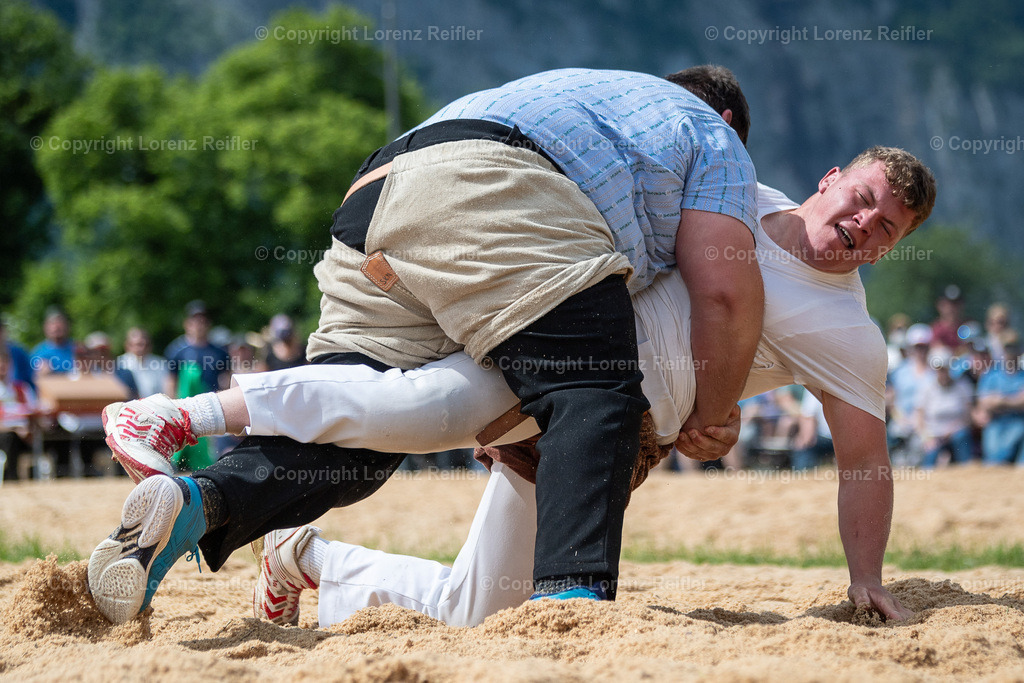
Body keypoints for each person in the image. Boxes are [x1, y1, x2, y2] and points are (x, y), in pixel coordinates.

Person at [89, 138, 936, 627]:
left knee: (479, 613)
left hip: (603, 438)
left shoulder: (848, 333)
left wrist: (867, 574)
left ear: (891, 248)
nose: (862, 224)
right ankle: (176, 414)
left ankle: (305, 555)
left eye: (884, 227)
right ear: (832, 178)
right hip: (551, 341)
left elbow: (865, 455)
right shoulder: (730, 192)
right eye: (861, 198)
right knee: (421, 406)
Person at [916, 349, 975, 468]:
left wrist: (954, 428)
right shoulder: (926, 387)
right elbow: (919, 416)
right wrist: (926, 437)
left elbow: (968, 415)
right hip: (934, 434)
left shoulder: (962, 386)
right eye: (939, 369)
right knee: (931, 452)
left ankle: (966, 469)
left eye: (944, 368)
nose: (942, 372)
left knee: (962, 436)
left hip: (957, 431)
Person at [973, 340, 1024, 465]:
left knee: (1005, 452)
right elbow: (984, 402)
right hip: (995, 422)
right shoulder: (991, 375)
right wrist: (1013, 401)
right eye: (1007, 349)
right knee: (994, 458)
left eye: (1013, 349)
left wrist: (1001, 401)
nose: (1010, 353)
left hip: (1018, 421)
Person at [0, 345, 38, 482]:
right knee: (9, 438)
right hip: (7, 435)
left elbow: (33, 412)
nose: (2, 367)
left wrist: (30, 429)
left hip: (24, 436)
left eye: (4, 363)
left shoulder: (22, 388)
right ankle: (12, 478)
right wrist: (14, 429)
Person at [115, 327, 167, 399]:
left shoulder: (159, 363)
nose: (142, 348)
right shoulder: (119, 363)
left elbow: (166, 389)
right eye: (138, 344)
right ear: (128, 345)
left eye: (145, 345)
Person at [30, 308, 76, 377]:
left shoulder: (77, 349)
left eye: (60, 322)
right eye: (52, 323)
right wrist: (40, 374)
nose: (56, 327)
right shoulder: (37, 353)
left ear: (67, 326)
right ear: (45, 327)